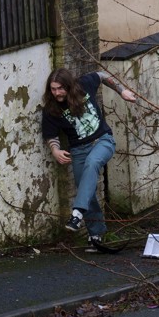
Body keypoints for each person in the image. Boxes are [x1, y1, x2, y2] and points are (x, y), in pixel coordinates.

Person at [41, 68, 136, 251]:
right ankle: (96, 235)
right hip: (78, 150)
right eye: (53, 89)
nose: (57, 93)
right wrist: (55, 150)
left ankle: (76, 214)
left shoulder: (84, 85)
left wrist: (121, 90)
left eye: (60, 88)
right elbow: (50, 135)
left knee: (93, 163)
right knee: (87, 189)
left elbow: (102, 75)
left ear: (69, 86)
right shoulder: (51, 109)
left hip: (102, 141)